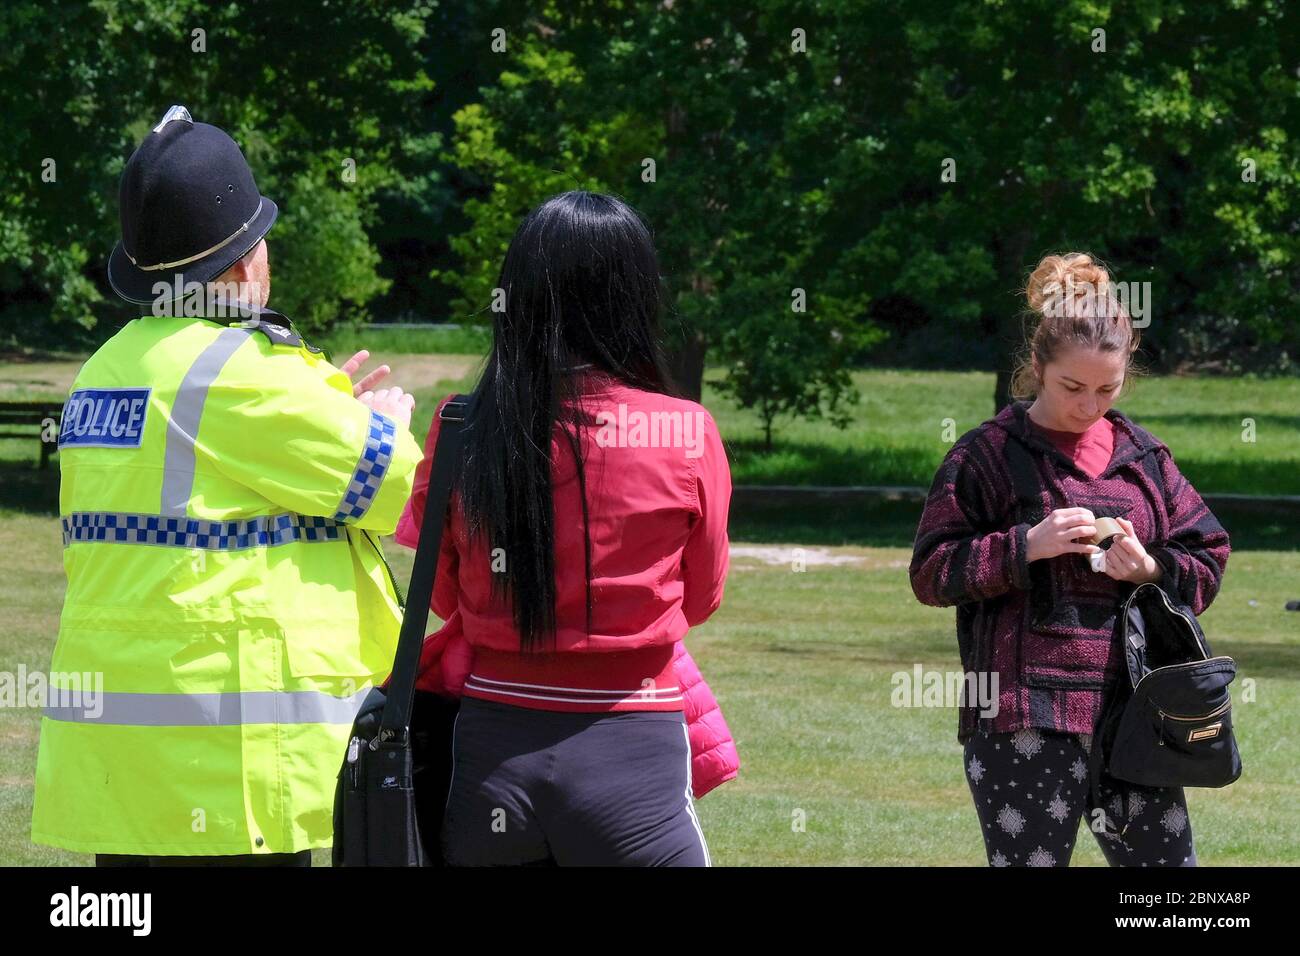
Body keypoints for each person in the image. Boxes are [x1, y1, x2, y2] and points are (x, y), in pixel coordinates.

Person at [30, 105, 423, 866]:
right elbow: (399, 488)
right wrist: (382, 416)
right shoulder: (240, 376)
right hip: (227, 782)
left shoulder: (102, 369)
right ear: (243, 265)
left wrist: (316, 408)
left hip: (127, 783)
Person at [397, 191, 738, 866]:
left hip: (490, 760)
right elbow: (700, 599)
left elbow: (443, 597)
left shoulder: (461, 425)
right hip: (634, 759)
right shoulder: (685, 431)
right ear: (635, 300)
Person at [909, 252, 1231, 867]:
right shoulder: (986, 456)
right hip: (1020, 719)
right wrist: (1025, 547)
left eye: (1107, 389)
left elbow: (1207, 552)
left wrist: (1151, 568)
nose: (1089, 406)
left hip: (1137, 711)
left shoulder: (1145, 458)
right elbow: (931, 571)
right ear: (1036, 368)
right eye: (1072, 388)